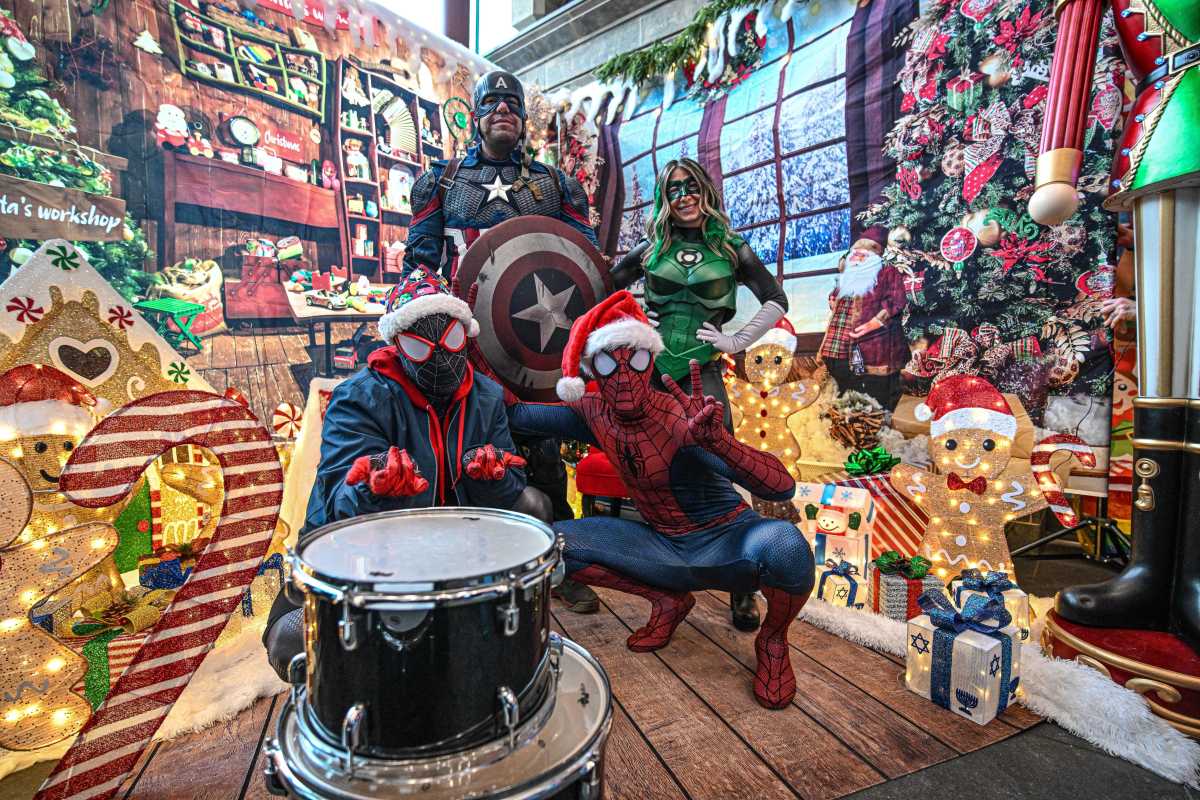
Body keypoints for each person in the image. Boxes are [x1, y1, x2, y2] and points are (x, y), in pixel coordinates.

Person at [510, 292, 815, 709]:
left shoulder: (678, 415)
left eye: (634, 360)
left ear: (649, 360)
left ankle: (774, 640)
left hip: (729, 541)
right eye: (606, 363)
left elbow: (780, 487)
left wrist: (721, 444)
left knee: (786, 547)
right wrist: (471, 351)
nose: (622, 375)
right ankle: (666, 600)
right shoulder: (593, 412)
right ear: (590, 369)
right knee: (550, 547)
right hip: (663, 544)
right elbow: (519, 415)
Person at [261, 268, 547, 679]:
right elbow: (336, 503)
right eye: (418, 346)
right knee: (292, 640)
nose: (438, 357)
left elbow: (509, 489)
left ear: (466, 333)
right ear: (397, 345)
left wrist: (493, 480)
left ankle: (505, 630)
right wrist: (375, 494)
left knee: (534, 506)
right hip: (366, 559)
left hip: (455, 545)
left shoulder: (484, 395)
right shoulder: (359, 398)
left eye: (450, 340)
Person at [403, 70, 600, 614]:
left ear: (523, 116)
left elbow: (584, 267)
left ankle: (558, 563)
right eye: (492, 103)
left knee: (542, 452)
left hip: (536, 343)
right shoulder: (440, 182)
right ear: (476, 114)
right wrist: (428, 327)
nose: (503, 111)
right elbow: (418, 265)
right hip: (461, 342)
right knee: (465, 454)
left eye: (512, 103)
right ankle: (473, 567)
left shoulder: (557, 186)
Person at [609, 157, 789, 632]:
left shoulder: (731, 247)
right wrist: (630, 326)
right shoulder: (651, 249)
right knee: (655, 476)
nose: (684, 196)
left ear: (705, 189)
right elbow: (602, 288)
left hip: (702, 372)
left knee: (722, 471)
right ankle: (666, 586)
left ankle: (742, 587)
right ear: (665, 200)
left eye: (691, 186)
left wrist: (734, 341)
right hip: (651, 373)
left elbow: (776, 299)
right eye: (674, 190)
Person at [818, 230, 908, 411]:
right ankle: (850, 412)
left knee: (874, 385)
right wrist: (832, 298)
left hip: (873, 340)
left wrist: (874, 322)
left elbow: (897, 301)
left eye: (863, 253)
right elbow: (837, 293)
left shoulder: (887, 272)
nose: (858, 256)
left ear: (875, 254)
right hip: (838, 336)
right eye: (856, 252)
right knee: (839, 371)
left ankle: (872, 417)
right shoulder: (849, 274)